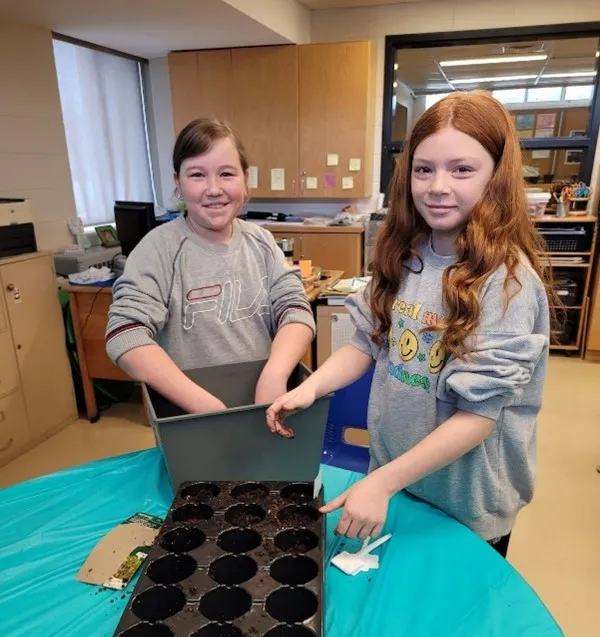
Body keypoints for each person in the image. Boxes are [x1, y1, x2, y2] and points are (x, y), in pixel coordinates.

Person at [267, 92, 553, 556]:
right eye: (425, 169)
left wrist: (382, 482)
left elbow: (477, 417)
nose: (438, 186)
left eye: (462, 169)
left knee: (448, 612)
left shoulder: (506, 280)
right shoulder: (408, 254)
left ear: (496, 176)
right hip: (401, 477)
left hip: (465, 499)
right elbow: (365, 341)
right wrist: (311, 387)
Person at [106, 118, 315, 413]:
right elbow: (125, 334)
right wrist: (203, 405)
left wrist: (275, 374)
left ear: (245, 179)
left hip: (264, 407)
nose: (214, 189)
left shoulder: (263, 242)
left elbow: (296, 311)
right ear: (178, 182)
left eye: (227, 174)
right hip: (190, 415)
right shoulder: (158, 249)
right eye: (197, 175)